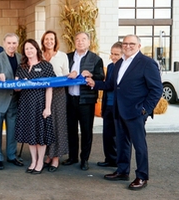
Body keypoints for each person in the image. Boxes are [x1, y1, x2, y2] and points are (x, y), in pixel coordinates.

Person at [86, 35, 162, 190]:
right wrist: (94, 83)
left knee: (139, 146)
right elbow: (111, 85)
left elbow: (157, 90)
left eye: (132, 44)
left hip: (136, 112)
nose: (128, 46)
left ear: (139, 46)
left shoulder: (147, 63)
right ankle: (122, 171)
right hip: (119, 110)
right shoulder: (120, 63)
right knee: (122, 143)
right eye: (125, 43)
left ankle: (142, 176)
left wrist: (144, 109)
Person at [62, 32, 104, 171]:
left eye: (83, 39)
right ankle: (73, 157)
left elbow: (100, 77)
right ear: (74, 42)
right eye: (78, 39)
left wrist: (91, 75)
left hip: (86, 100)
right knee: (71, 129)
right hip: (70, 99)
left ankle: (84, 159)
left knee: (86, 131)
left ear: (89, 42)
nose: (80, 42)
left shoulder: (95, 59)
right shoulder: (67, 57)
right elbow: (61, 75)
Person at [15, 39, 56, 174]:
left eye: (31, 48)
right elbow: (16, 89)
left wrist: (47, 107)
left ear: (36, 49)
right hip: (26, 105)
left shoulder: (46, 66)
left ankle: (40, 162)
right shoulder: (22, 67)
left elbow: (50, 87)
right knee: (30, 136)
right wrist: (20, 84)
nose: (29, 51)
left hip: (40, 104)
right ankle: (33, 160)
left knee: (40, 136)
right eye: (26, 49)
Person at [0, 33, 23, 170]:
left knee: (13, 130)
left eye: (14, 43)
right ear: (4, 44)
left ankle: (11, 155)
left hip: (14, 100)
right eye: (9, 43)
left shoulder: (21, 58)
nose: (11, 46)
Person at [41, 30, 69, 172]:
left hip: (58, 94)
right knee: (45, 125)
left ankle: (56, 157)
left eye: (51, 39)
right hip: (41, 94)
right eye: (46, 39)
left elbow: (66, 76)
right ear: (43, 41)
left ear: (55, 41)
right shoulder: (40, 56)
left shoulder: (62, 56)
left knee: (57, 124)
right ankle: (48, 155)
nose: (49, 42)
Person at [96, 41, 122, 168]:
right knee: (107, 134)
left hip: (119, 106)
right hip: (108, 105)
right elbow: (107, 87)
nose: (113, 57)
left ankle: (118, 161)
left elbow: (110, 85)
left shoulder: (123, 67)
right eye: (112, 54)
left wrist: (94, 83)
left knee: (117, 136)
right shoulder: (110, 67)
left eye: (116, 54)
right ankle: (110, 159)